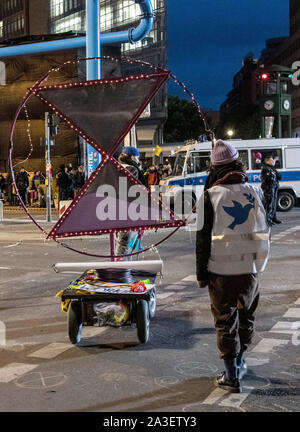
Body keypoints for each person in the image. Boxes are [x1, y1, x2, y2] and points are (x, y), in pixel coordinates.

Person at [196, 140, 270, 393]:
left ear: (213, 168)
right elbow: (264, 225)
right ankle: (240, 361)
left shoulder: (208, 196)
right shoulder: (255, 191)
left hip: (219, 272)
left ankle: (231, 376)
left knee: (224, 321)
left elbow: (202, 239)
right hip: (250, 268)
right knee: (246, 316)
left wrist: (201, 274)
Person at [115, 146, 146, 259]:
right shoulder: (132, 169)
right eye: (137, 157)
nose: (138, 160)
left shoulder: (116, 167)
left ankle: (123, 266)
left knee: (120, 239)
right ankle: (122, 269)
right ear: (132, 157)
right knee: (125, 240)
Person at [261, 155, 282, 226]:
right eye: (271, 160)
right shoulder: (265, 168)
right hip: (269, 188)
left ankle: (273, 217)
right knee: (269, 204)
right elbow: (266, 180)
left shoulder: (273, 168)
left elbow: (279, 177)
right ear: (267, 161)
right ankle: (268, 220)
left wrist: (275, 171)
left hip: (274, 187)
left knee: (274, 204)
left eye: (273, 160)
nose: (273, 162)